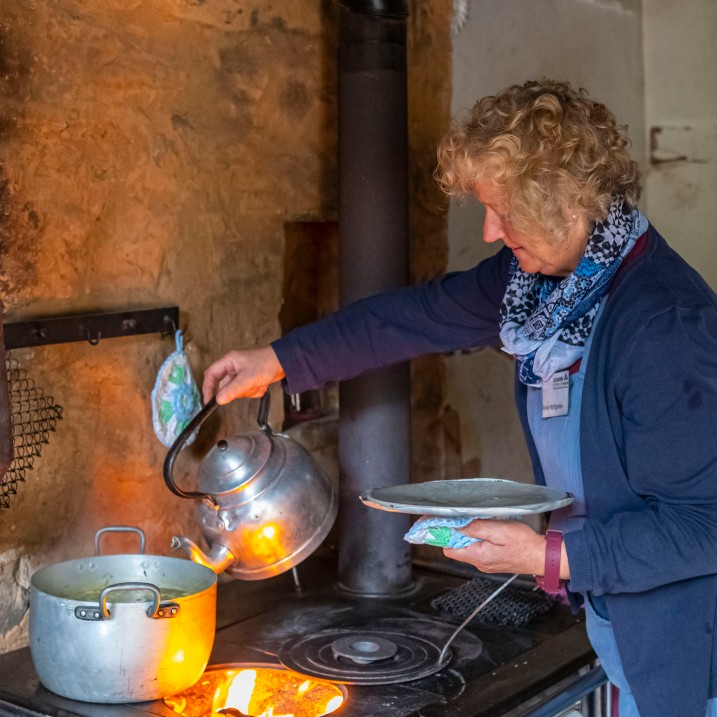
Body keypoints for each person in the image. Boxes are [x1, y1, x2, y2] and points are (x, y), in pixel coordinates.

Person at [202, 79, 717, 717]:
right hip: (618, 609)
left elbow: (704, 526)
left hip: (689, 642)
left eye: (504, 210)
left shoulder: (664, 325)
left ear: (562, 199)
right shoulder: (540, 288)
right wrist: (277, 361)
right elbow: (412, 317)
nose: (491, 230)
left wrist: (544, 555)